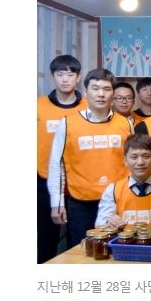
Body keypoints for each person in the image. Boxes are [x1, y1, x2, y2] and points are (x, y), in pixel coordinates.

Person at [47, 68, 133, 248]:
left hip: (118, 202)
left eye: (106, 89)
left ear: (112, 93)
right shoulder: (67, 123)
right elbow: (57, 164)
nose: (101, 94)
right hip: (81, 204)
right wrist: (57, 201)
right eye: (95, 88)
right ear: (86, 92)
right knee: (82, 252)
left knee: (118, 251)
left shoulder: (125, 123)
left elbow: (133, 163)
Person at [37, 54, 87, 263]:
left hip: (78, 183)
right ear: (52, 77)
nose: (65, 79)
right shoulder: (38, 106)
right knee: (45, 240)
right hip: (44, 181)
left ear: (78, 77)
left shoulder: (87, 107)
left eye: (70, 74)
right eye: (60, 74)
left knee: (79, 241)